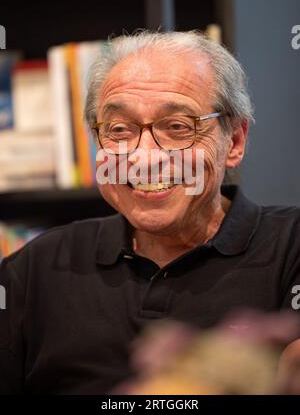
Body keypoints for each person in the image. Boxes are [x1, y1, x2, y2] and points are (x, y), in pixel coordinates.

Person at [0, 30, 300, 395]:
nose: (144, 158)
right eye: (119, 130)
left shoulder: (291, 247)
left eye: (177, 127)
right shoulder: (37, 268)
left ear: (234, 141)